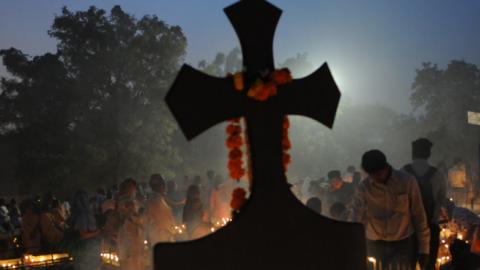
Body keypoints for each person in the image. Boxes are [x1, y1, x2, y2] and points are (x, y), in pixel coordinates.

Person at [349, 149, 430, 269]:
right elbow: (356, 218)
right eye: (372, 175)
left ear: (386, 166)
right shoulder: (363, 188)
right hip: (374, 244)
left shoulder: (407, 181)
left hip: (402, 244)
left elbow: (419, 215)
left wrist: (424, 249)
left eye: (379, 174)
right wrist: (353, 246)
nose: (376, 178)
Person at [403, 138, 447, 270]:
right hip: (430, 228)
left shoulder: (403, 172)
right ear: (429, 154)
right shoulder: (438, 175)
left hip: (407, 229)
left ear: (412, 153)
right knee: (429, 266)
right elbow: (441, 200)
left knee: (407, 265)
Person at [145, 174, 176, 244]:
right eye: (163, 183)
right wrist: (171, 230)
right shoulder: (156, 200)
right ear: (160, 186)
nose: (165, 186)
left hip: (158, 235)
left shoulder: (156, 198)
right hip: (161, 235)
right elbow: (162, 219)